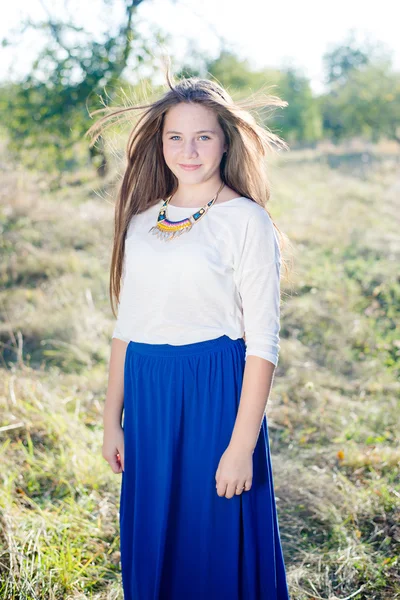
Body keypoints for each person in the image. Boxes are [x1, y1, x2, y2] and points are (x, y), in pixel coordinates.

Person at [88, 68, 291, 599]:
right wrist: (112, 421)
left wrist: (241, 445)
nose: (190, 149)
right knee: (158, 536)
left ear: (225, 142)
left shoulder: (247, 221)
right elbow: (125, 330)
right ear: (160, 144)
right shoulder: (142, 222)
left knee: (215, 538)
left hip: (215, 394)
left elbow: (264, 341)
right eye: (176, 136)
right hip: (151, 395)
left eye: (203, 135)